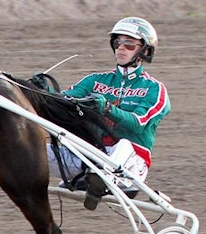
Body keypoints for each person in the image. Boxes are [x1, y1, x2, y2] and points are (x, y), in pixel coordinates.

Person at [57, 16, 171, 209]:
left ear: (145, 51)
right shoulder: (95, 80)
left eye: (129, 44)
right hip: (92, 156)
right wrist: (41, 91)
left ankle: (101, 180)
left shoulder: (154, 89)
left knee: (125, 145)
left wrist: (107, 108)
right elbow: (62, 100)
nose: (121, 47)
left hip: (131, 165)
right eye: (118, 42)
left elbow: (137, 123)